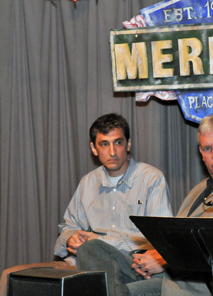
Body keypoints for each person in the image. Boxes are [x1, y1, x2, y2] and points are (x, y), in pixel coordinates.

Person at [79, 114, 213, 296]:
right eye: (207, 149)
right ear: (201, 153)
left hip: (205, 288)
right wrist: (157, 255)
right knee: (91, 249)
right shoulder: (197, 190)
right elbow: (175, 239)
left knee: (115, 292)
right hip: (171, 279)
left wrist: (165, 259)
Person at [0, 113, 173, 296]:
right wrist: (70, 238)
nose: (112, 152)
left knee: (93, 248)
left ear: (128, 144)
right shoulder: (88, 182)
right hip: (85, 264)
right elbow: (67, 228)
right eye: (104, 144)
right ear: (94, 148)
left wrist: (100, 242)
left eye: (118, 142)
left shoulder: (151, 178)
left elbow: (161, 238)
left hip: (132, 265)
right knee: (9, 275)